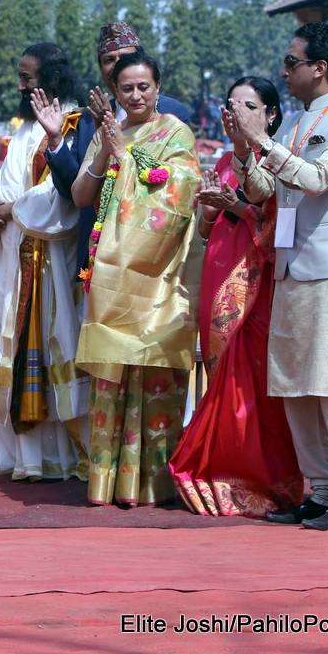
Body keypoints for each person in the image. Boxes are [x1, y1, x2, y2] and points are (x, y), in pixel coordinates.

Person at [226, 22, 328, 531]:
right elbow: (259, 192)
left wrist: (261, 141)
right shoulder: (293, 123)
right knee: (299, 388)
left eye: (292, 63)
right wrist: (246, 149)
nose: (284, 71)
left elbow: (317, 180)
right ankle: (325, 490)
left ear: (321, 68)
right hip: (291, 270)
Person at [71, 51, 201, 507]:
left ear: (158, 87)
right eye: (127, 88)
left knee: (153, 370)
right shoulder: (111, 132)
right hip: (111, 275)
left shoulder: (175, 132)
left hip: (157, 274)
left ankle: (151, 481)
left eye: (143, 86)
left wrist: (128, 157)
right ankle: (109, 480)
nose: (136, 95)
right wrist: (108, 150)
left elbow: (180, 191)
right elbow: (81, 195)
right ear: (116, 92)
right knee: (112, 370)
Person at [168, 77, 303, 517]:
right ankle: (222, 469)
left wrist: (237, 205)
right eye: (232, 104)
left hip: (254, 282)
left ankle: (260, 477)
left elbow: (274, 229)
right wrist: (210, 211)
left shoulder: (280, 163)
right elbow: (208, 230)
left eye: (249, 105)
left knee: (250, 382)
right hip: (219, 269)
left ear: (271, 116)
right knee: (217, 371)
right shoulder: (226, 158)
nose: (238, 112)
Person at [0, 44, 87, 481]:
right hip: (12, 257)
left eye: (27, 78)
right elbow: (5, 184)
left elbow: (61, 201)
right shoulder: (27, 129)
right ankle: (20, 458)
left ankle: (57, 459)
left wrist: (14, 209)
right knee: (8, 356)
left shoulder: (72, 125)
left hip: (49, 262)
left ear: (50, 79)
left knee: (53, 352)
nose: (20, 85)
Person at [47, 21, 191, 277]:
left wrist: (122, 151)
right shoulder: (91, 120)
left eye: (125, 57)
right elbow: (76, 193)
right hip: (100, 252)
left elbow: (178, 188)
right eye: (108, 59)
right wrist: (57, 141)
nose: (117, 64)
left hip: (152, 252)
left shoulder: (174, 116)